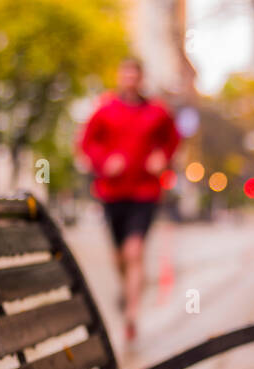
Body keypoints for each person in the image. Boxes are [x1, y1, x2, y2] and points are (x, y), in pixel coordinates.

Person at [79, 57, 181, 342]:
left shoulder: (158, 111)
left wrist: (163, 156)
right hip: (112, 192)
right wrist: (103, 161)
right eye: (125, 74)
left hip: (145, 192)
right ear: (120, 77)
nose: (130, 80)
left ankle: (132, 314)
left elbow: (173, 139)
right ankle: (129, 290)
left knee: (134, 251)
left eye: (134, 75)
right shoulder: (105, 109)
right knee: (119, 256)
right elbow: (87, 142)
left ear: (141, 78)